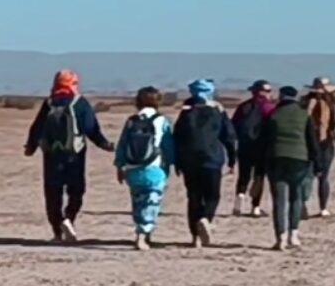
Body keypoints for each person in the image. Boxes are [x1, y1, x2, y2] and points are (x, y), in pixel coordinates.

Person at [24, 69, 113, 243]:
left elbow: (37, 127)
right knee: (76, 191)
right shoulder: (79, 103)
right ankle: (68, 219)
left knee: (52, 193)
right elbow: (92, 129)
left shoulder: (49, 103)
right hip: (74, 155)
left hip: (51, 155)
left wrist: (31, 147)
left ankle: (57, 232)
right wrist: (105, 145)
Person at [173, 79, 237, 247]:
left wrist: (178, 162)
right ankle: (205, 219)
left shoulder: (186, 111)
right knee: (212, 195)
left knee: (194, 197)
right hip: (212, 159)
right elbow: (229, 136)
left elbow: (177, 138)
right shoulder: (217, 110)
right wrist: (232, 159)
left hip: (189, 161)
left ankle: (195, 237)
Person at [114, 86, 175, 251]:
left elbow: (122, 145)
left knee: (138, 202)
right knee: (151, 202)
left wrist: (120, 166)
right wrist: (171, 165)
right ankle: (143, 234)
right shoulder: (161, 121)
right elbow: (168, 146)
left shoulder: (131, 121)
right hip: (154, 169)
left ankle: (143, 233)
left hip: (133, 169)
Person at [263, 85, 322, 251]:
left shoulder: (274, 115)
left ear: (281, 97)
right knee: (296, 197)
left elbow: (265, 141)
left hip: (276, 158)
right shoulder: (304, 115)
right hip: (299, 159)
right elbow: (312, 141)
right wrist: (318, 164)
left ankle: (280, 237)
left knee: (279, 200)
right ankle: (293, 234)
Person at [301, 76, 335, 218]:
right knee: (316, 176)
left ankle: (310, 206)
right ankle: (316, 207)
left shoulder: (307, 103)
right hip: (317, 143)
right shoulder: (312, 104)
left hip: (315, 143)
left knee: (312, 176)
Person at [231, 79, 276, 216]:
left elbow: (233, 125)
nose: (270, 94)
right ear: (262, 92)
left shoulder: (243, 106)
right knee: (259, 177)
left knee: (243, 175)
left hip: (244, 146)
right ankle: (255, 207)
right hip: (261, 147)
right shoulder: (269, 108)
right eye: (268, 91)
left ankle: (239, 200)